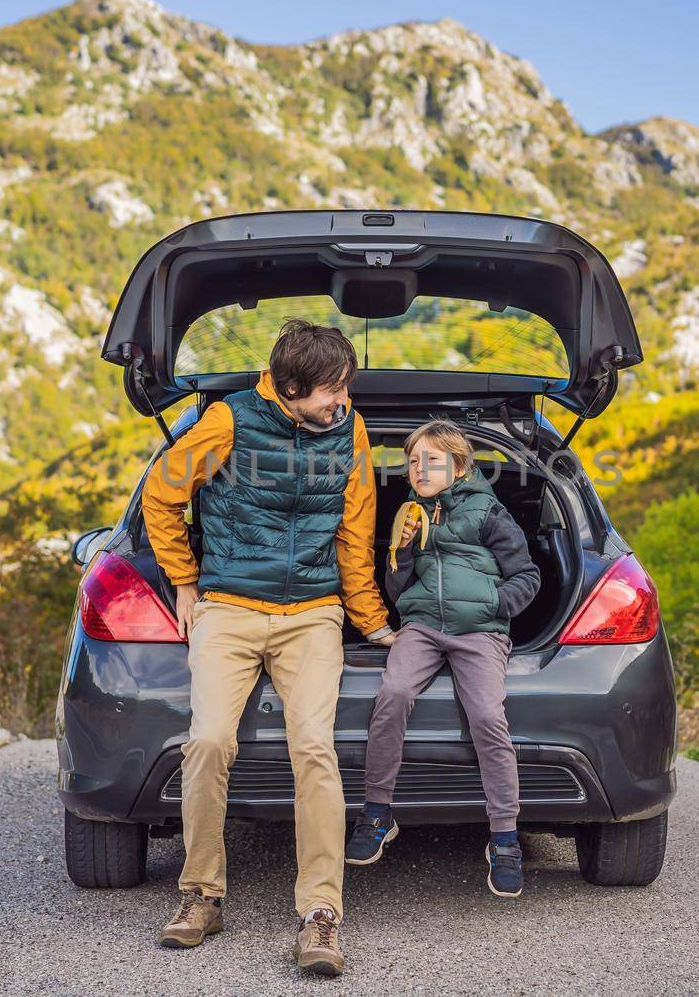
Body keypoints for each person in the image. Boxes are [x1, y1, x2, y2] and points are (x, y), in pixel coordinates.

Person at [141, 318, 392, 976]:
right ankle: (201, 895)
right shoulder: (228, 422)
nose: (341, 402)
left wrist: (372, 621)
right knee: (209, 742)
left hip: (312, 613)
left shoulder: (353, 430)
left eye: (346, 388)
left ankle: (321, 916)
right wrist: (187, 582)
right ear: (289, 387)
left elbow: (354, 535)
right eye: (331, 391)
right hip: (229, 605)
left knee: (314, 748)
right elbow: (162, 494)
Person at [345, 420, 541, 897]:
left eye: (431, 460)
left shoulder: (488, 512)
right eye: (413, 461)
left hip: (480, 632)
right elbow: (396, 589)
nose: (419, 468)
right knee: (391, 695)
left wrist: (494, 605)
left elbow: (528, 575)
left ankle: (505, 838)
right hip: (423, 627)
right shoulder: (408, 514)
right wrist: (404, 552)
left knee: (488, 718)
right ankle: (377, 813)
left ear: (458, 466)